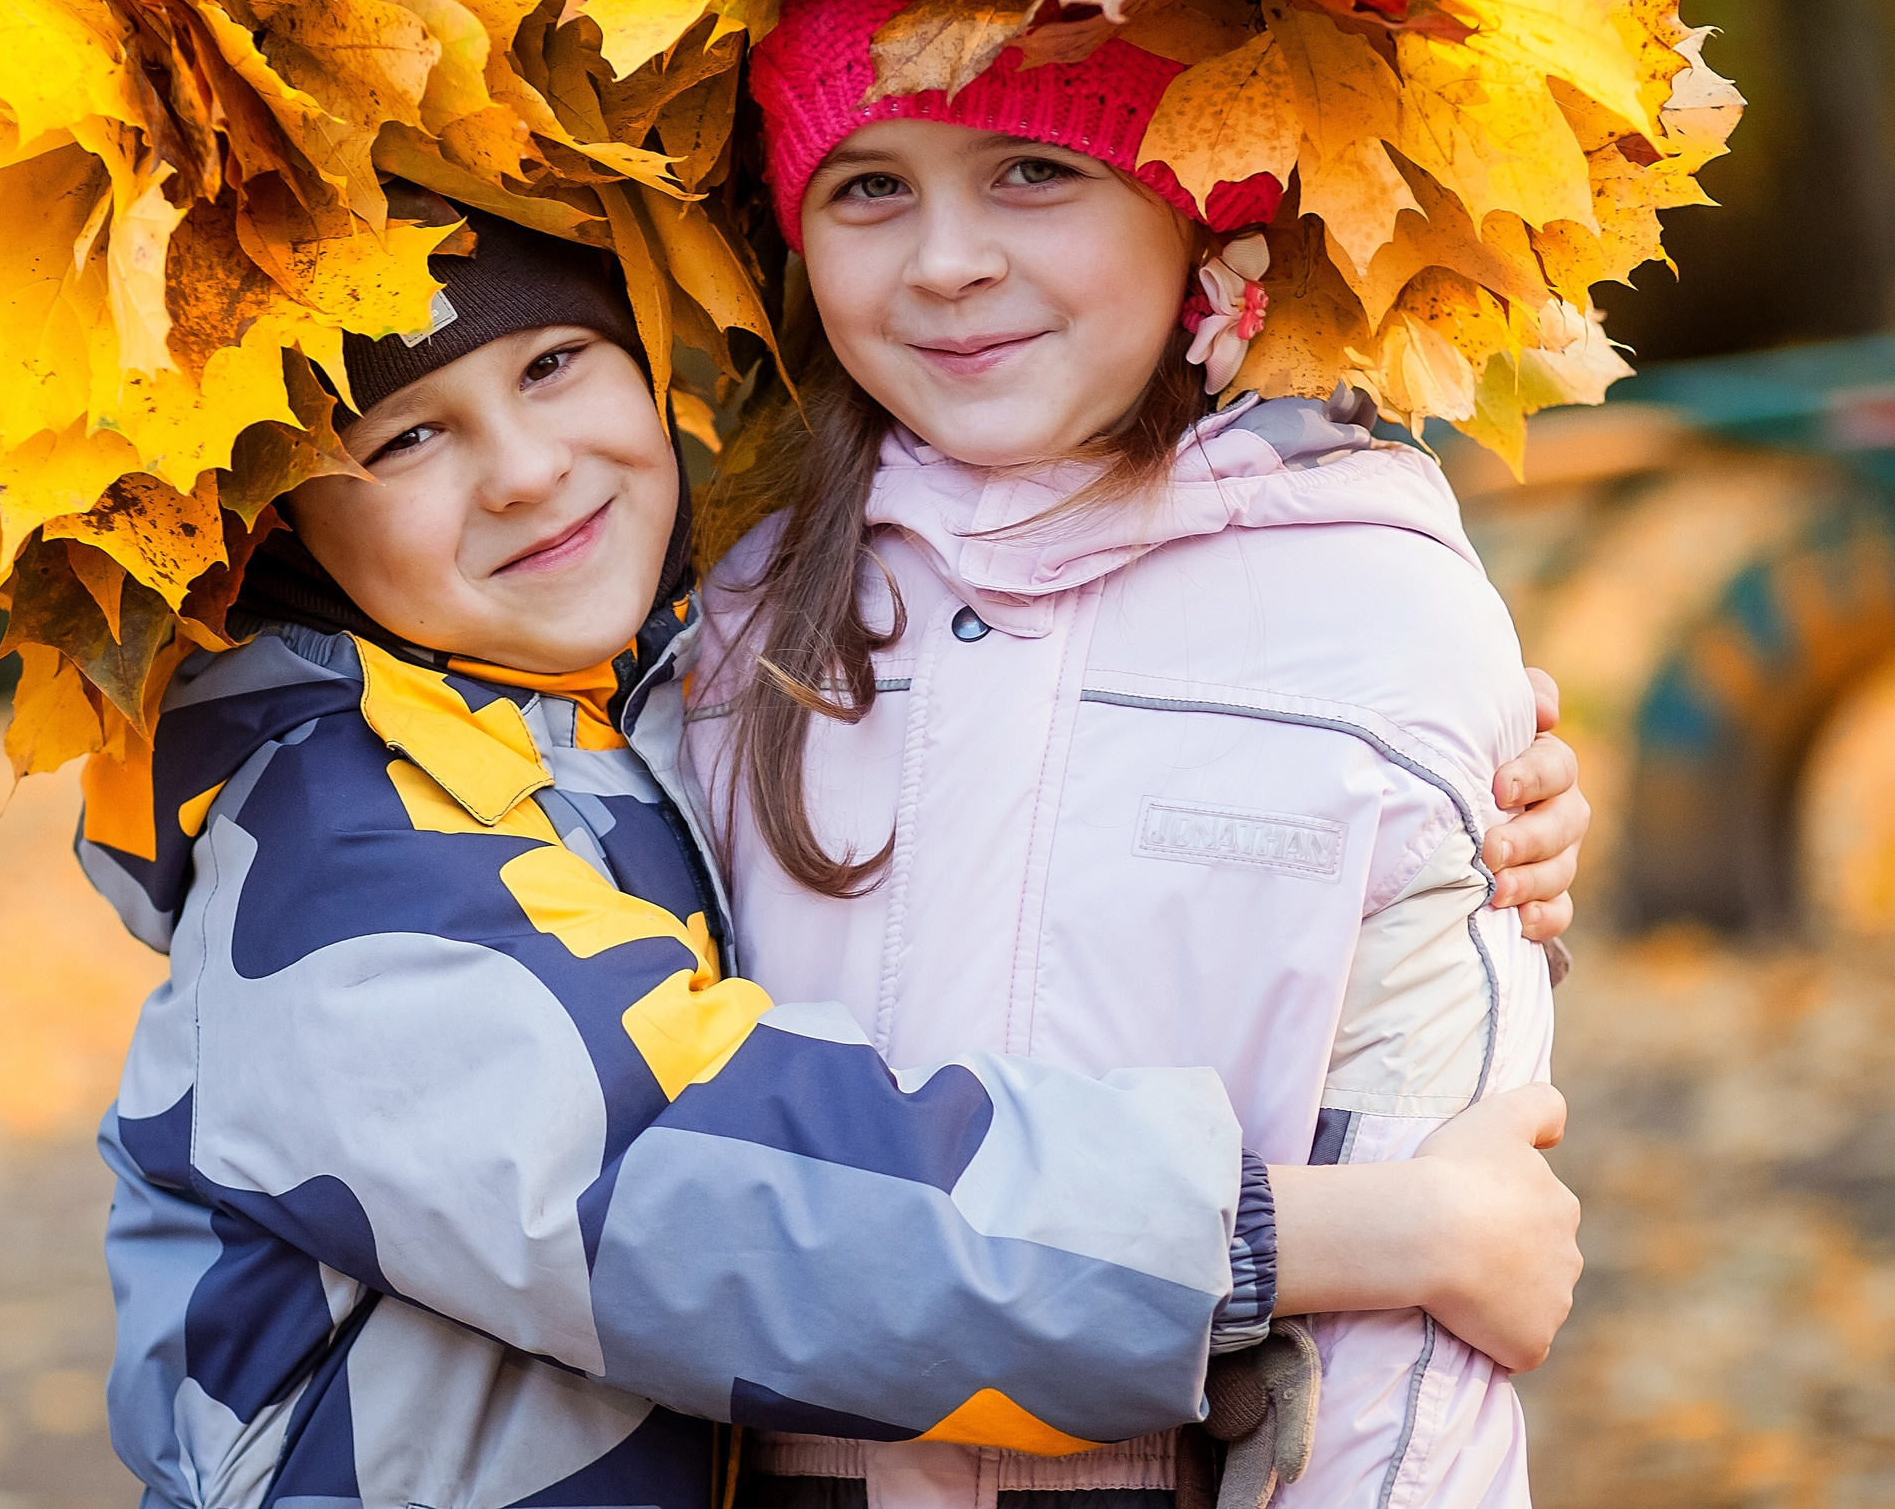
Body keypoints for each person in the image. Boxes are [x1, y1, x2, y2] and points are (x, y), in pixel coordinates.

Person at [85, 212, 1587, 1509]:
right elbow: (719, 1204)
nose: (529, 471)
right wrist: (1344, 1233)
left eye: (552, 365)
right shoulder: (338, 856)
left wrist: (1397, 802)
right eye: (407, 436)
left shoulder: (629, 717)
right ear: (279, 527)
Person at [688, 0, 1592, 1509]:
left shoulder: (1371, 622)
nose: (947, 262)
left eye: (1034, 173)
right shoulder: (727, 621)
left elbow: (1412, 1317)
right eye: (866, 187)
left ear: (1202, 212)